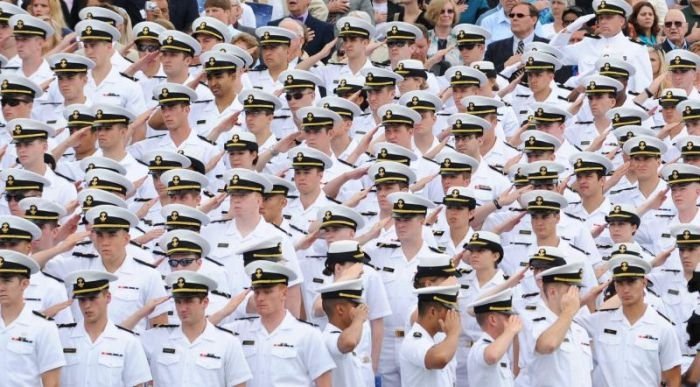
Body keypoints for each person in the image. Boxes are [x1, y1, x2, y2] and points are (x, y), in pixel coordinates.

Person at [224, 260, 335, 387]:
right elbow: (201, 332)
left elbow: (324, 382)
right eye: (257, 292)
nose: (260, 298)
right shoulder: (239, 331)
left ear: (284, 293)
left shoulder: (307, 334)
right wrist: (225, 311)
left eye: (267, 292)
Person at [577, 256, 682, 386]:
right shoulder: (600, 321)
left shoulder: (662, 327)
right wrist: (584, 300)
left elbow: (673, 377)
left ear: (644, 282)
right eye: (620, 283)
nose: (625, 289)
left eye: (631, 282)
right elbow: (561, 322)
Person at [141, 270, 252, 386]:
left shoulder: (227, 343)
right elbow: (122, 339)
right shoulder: (157, 338)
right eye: (178, 302)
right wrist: (143, 312)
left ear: (205, 302)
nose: (182, 308)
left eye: (189, 301)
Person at [58, 270, 152, 386]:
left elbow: (136, 384)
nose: (87, 305)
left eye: (92, 298)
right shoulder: (62, 338)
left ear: (107, 297)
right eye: (82, 299)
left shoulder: (127, 342)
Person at [551, 0, 653, 94]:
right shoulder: (587, 44)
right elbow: (554, 54)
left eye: (608, 17)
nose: (603, 21)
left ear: (622, 21)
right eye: (600, 18)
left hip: (619, 106)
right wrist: (574, 26)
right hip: (586, 105)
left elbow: (642, 87)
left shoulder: (636, 48)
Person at [0, 250, 65, 387]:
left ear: (24, 284)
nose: (1, 287)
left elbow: (52, 382)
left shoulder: (42, 326)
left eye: (7, 281)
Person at [529, 261, 593, 387]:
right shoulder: (536, 322)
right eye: (571, 290)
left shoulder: (580, 331)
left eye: (578, 289)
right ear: (552, 292)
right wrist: (569, 311)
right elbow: (548, 345)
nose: (576, 295)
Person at [399, 283, 461, 386]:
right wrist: (453, 333)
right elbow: (440, 359)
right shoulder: (414, 340)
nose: (454, 316)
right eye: (450, 310)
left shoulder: (432, 339)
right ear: (432, 312)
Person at [319, 278, 369, 387]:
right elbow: (349, 342)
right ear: (340, 309)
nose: (362, 310)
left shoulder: (346, 332)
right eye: (356, 306)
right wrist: (358, 319)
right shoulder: (329, 337)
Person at [466, 288, 521, 387]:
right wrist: (510, 330)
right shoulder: (480, 347)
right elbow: (492, 356)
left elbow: (516, 373)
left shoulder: (499, 347)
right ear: (493, 320)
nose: (511, 321)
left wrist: (515, 337)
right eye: (507, 317)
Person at [484, 2, 549, 72]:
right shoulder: (494, 48)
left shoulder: (547, 47)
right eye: (511, 15)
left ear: (533, 20)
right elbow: (486, 78)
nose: (514, 18)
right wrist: (505, 66)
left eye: (520, 15)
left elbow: (557, 75)